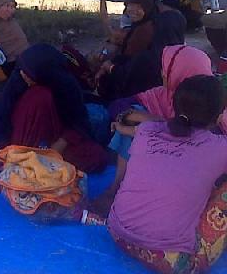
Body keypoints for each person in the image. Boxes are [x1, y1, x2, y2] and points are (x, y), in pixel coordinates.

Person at [108, 75, 227, 274]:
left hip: (119, 234)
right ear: (218, 117)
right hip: (172, 260)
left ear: (174, 106)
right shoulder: (220, 148)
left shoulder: (146, 130)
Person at [90, 45, 227, 217]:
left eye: (167, 68)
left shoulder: (213, 115)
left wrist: (150, 121)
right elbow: (119, 107)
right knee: (134, 117)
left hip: (188, 187)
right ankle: (116, 187)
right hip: (168, 210)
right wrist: (141, 117)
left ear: (182, 71)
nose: (162, 73)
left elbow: (188, 135)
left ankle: (120, 190)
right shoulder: (165, 95)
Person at [0, 44, 108, 173]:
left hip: (55, 134)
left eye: (28, 74)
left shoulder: (65, 85)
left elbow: (78, 122)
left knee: (96, 156)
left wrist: (61, 143)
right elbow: (2, 113)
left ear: (47, 74)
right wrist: (6, 149)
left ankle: (39, 161)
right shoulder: (20, 78)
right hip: (24, 140)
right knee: (39, 96)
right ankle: (26, 160)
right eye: (21, 70)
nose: (22, 75)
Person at [96, 0, 157, 99]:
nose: (133, 11)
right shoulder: (141, 25)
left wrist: (109, 66)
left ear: (147, 8)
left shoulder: (143, 30)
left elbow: (130, 69)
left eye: (139, 7)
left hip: (135, 86)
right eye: (130, 7)